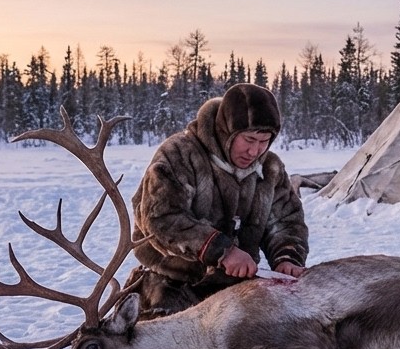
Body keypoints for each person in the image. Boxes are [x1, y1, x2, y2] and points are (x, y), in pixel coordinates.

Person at [126, 83, 308, 319]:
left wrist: (287, 256)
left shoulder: (269, 168)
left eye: (264, 141)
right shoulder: (179, 155)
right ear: (227, 130)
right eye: (249, 139)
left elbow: (285, 221)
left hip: (236, 284)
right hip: (172, 281)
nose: (255, 151)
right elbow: (161, 218)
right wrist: (221, 250)